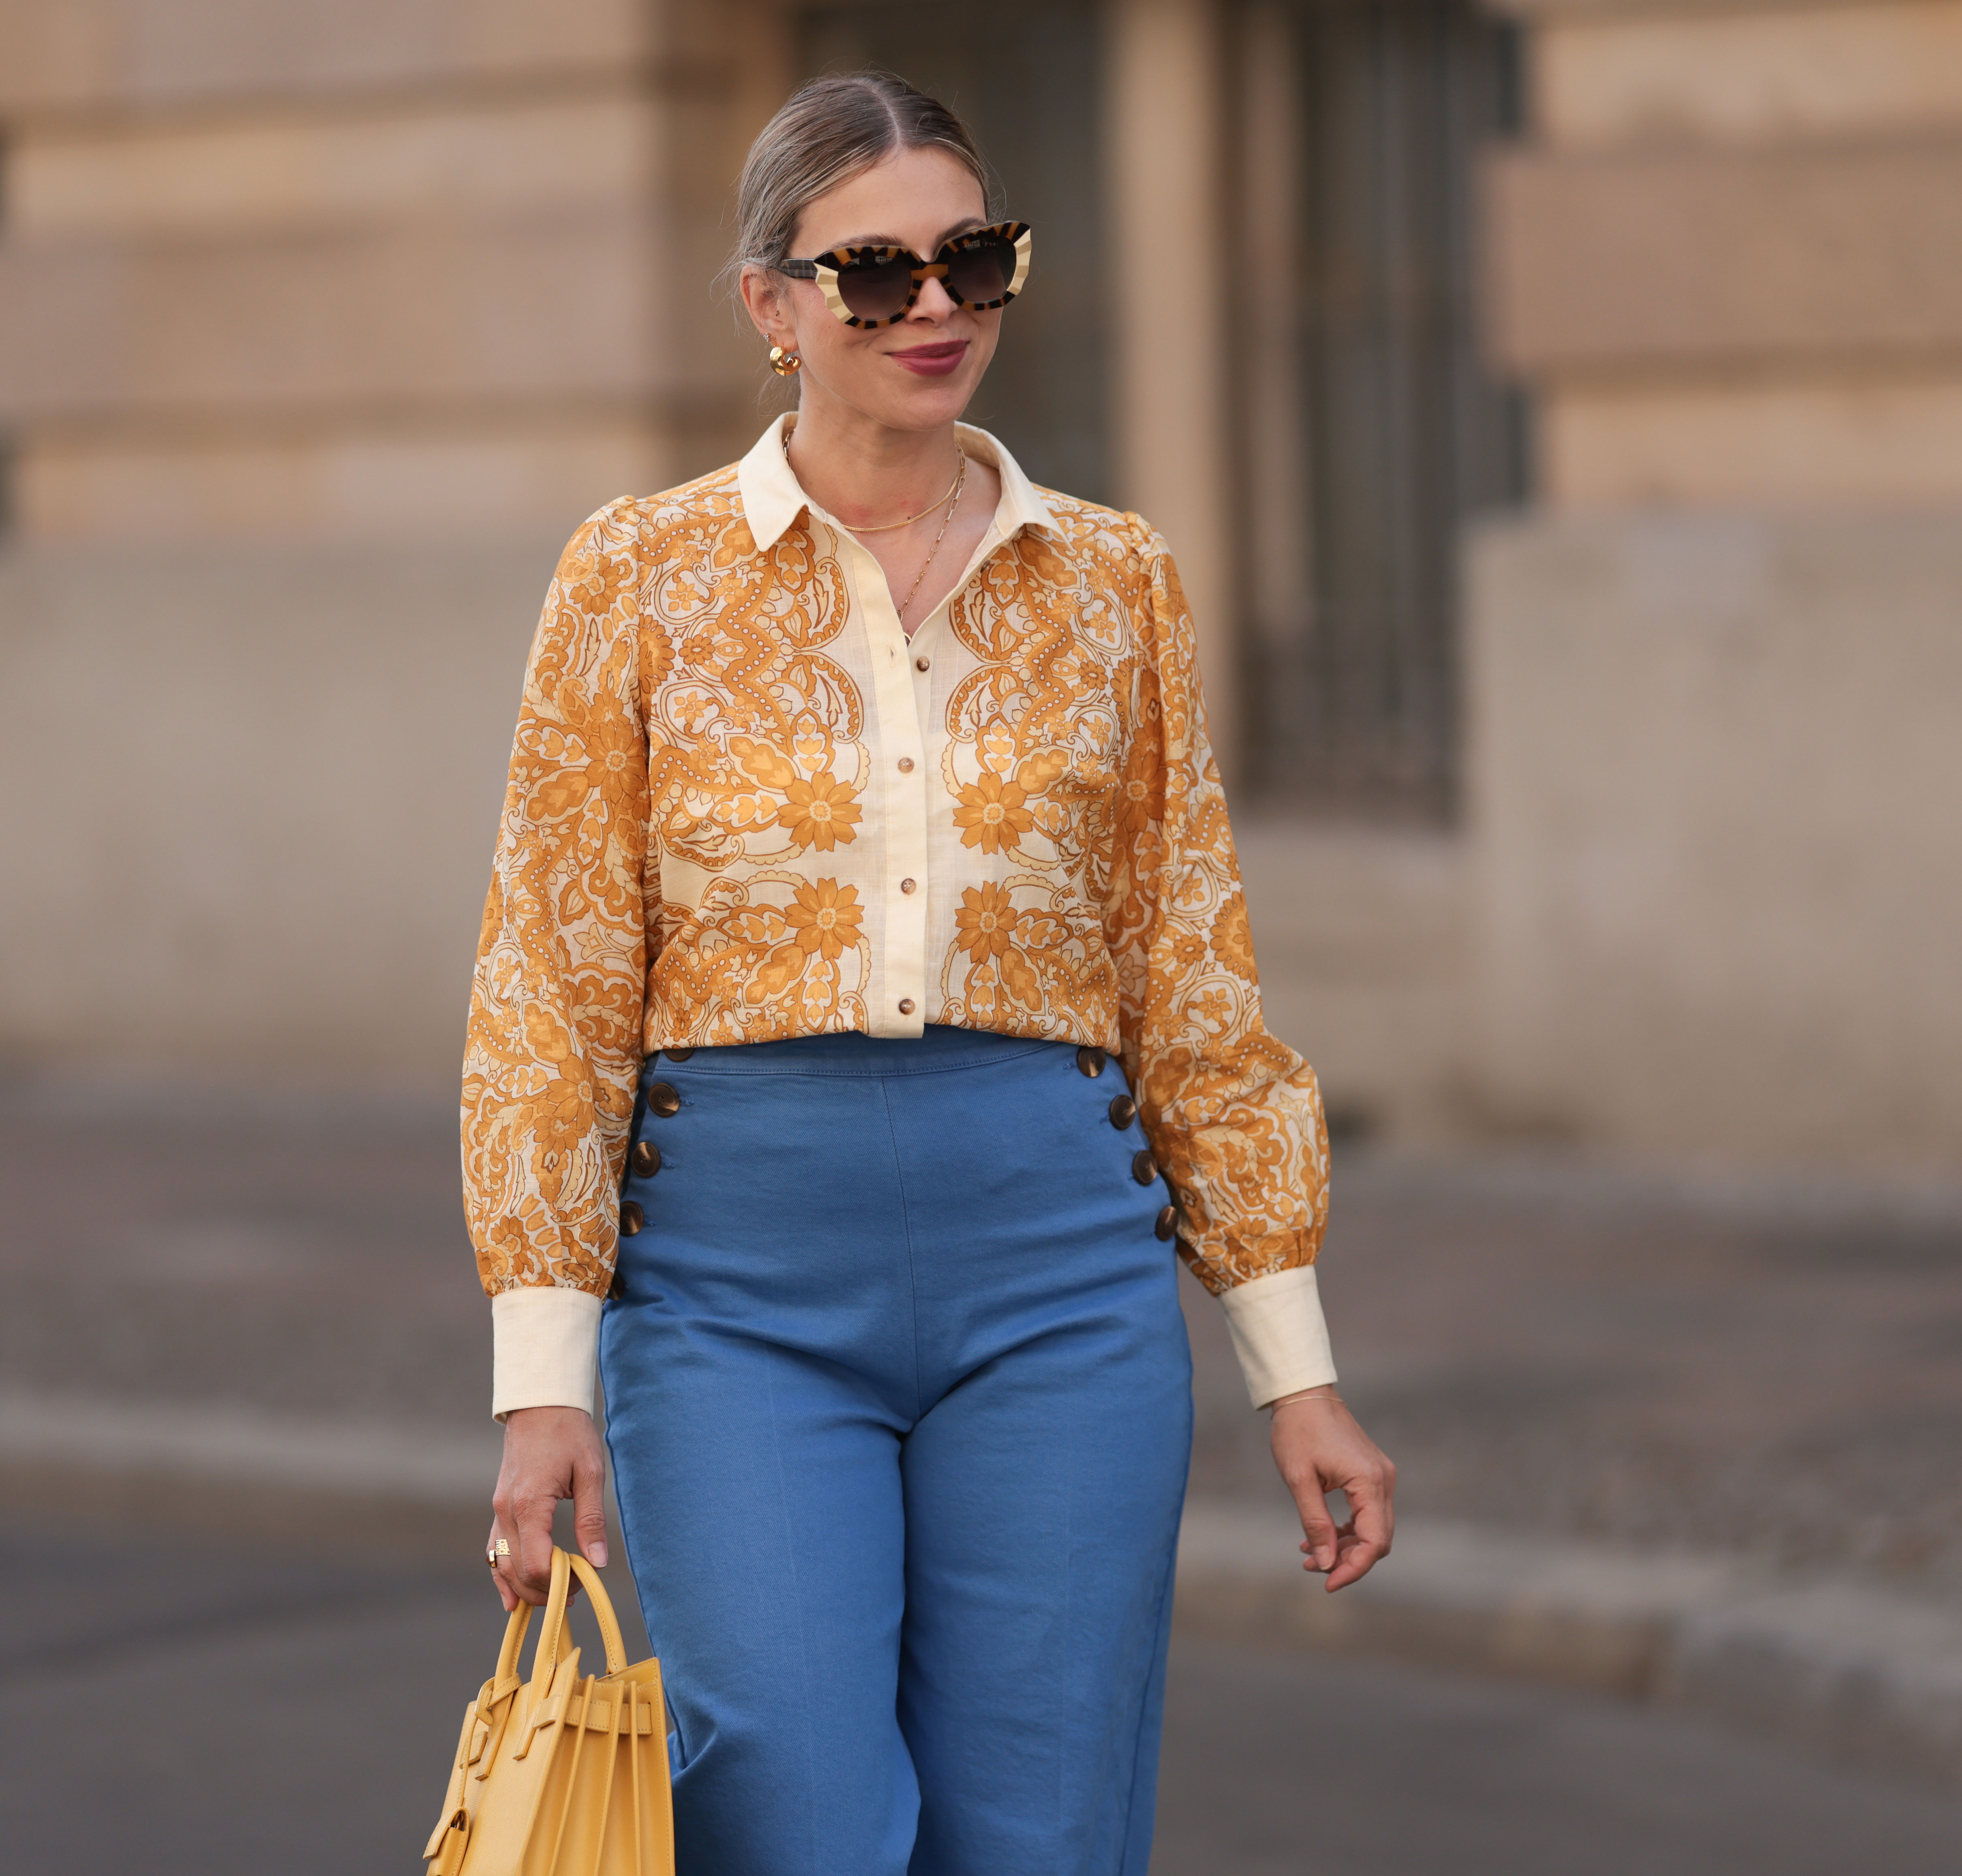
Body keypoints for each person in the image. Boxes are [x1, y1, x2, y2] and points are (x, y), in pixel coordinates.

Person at [461, 69, 1394, 1876]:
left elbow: (1188, 973)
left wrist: (1293, 1364)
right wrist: (539, 1377)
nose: (937, 306)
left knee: (1038, 1827)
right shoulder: (633, 579)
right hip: (728, 1290)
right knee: (794, 1814)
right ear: (770, 306)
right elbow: (551, 987)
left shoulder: (1115, 582)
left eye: (971, 256)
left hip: (1060, 1276)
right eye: (873, 273)